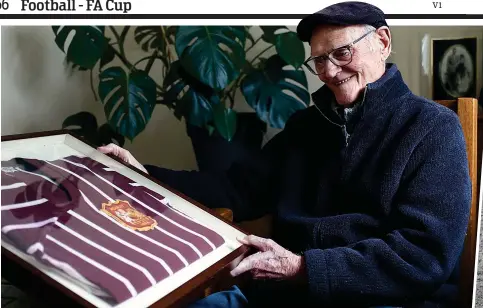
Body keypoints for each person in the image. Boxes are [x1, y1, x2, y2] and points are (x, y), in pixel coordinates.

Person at [98, 2, 471, 307]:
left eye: (342, 52)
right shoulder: (304, 127)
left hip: (384, 299)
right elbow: (235, 189)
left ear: (383, 42)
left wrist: (303, 268)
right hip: (285, 295)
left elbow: (423, 256)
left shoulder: (433, 128)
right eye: (319, 60)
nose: (329, 71)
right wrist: (142, 174)